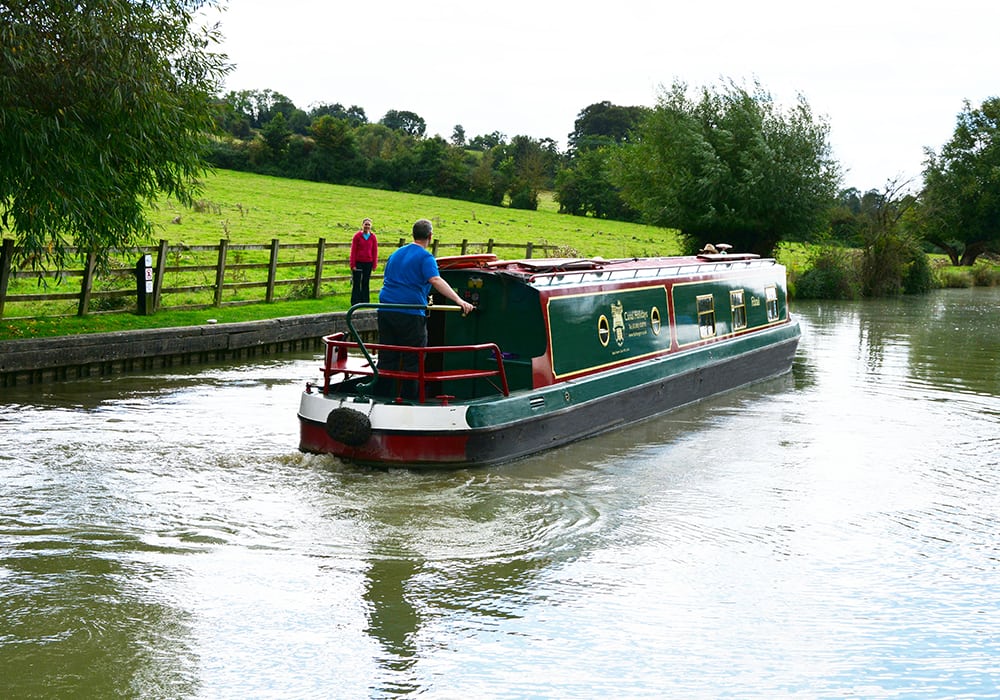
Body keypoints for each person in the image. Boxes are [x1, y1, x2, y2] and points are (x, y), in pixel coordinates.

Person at [376, 218, 475, 398]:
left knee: (387, 356)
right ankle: (410, 399)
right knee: (414, 358)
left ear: (413, 234)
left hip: (385, 310)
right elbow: (435, 280)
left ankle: (381, 395)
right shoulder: (425, 257)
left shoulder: (395, 254)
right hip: (410, 313)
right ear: (430, 236)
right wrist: (459, 300)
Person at [349, 218, 378, 305]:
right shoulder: (357, 236)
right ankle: (355, 301)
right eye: (366, 224)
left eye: (369, 225)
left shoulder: (373, 237)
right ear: (362, 225)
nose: (367, 226)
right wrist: (352, 264)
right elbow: (353, 251)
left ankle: (365, 301)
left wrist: (374, 264)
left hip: (368, 263)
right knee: (357, 282)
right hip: (358, 262)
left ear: (371, 226)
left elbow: (375, 251)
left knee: (365, 282)